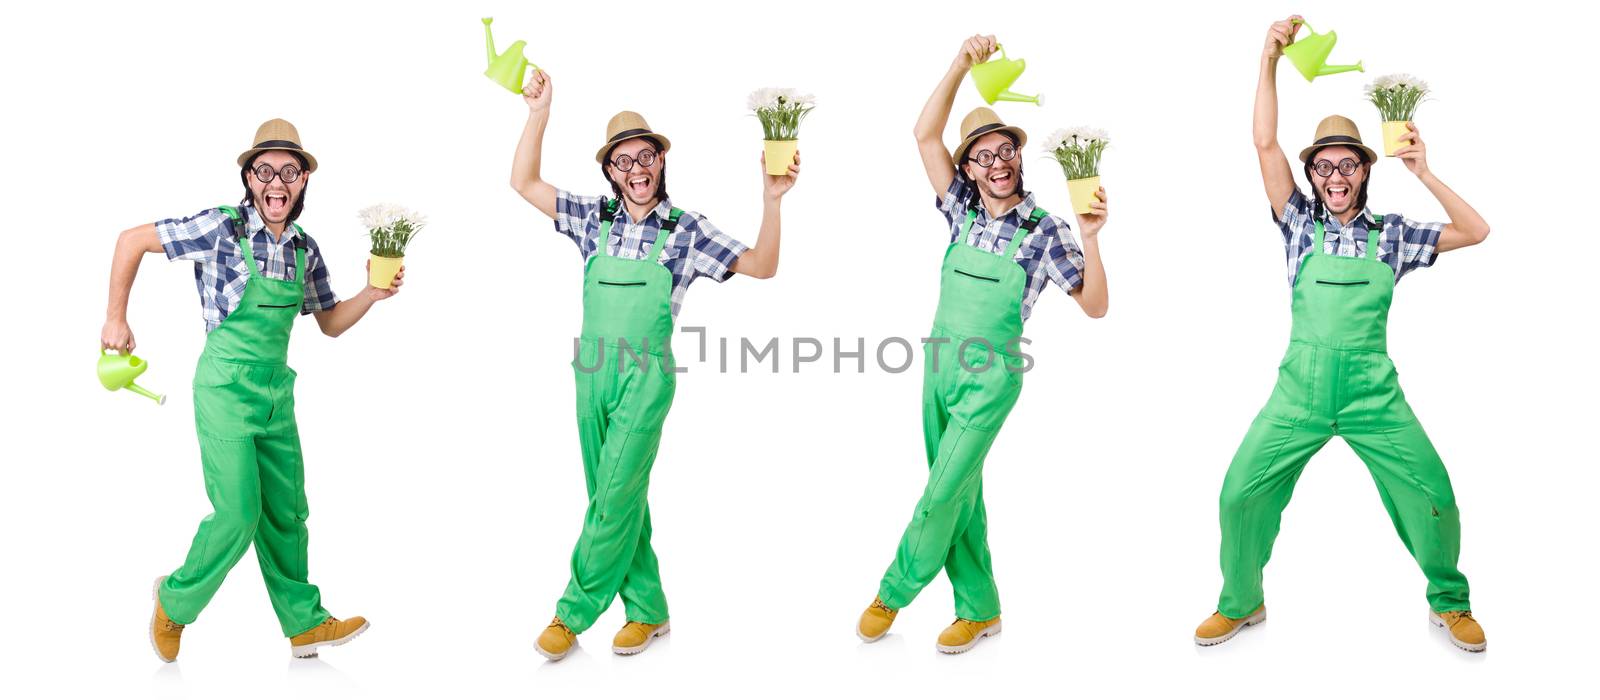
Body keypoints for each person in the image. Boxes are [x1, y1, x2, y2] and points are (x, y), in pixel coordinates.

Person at [1194, 16, 1492, 653]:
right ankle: (1241, 602)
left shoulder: (1393, 233)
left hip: (1371, 397)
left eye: (1347, 166)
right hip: (1297, 395)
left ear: (1363, 169)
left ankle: (1450, 601)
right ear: (1313, 174)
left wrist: (1424, 172)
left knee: (1434, 494)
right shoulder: (1298, 224)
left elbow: (1476, 231)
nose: (1334, 176)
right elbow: (1265, 144)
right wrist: (1268, 57)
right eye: (1323, 166)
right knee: (1238, 495)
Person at [509, 69, 801, 660]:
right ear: (610, 172)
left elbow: (762, 265)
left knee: (614, 494)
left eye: (646, 157)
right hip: (590, 373)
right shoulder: (593, 218)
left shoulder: (685, 230)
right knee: (616, 496)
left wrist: (771, 201)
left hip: (645, 378)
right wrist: (539, 113)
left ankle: (572, 613)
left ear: (661, 161)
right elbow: (523, 182)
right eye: (623, 161)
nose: (637, 169)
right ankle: (648, 610)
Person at [103, 118, 404, 661]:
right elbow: (131, 242)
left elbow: (330, 323)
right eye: (265, 170)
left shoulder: (304, 250)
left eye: (290, 171)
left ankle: (304, 622)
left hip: (275, 395)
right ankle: (174, 600)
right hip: (224, 388)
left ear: (304, 182)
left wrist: (373, 293)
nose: (277, 182)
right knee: (239, 513)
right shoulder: (220, 227)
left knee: (287, 513)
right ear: (249, 178)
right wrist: (115, 319)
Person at [857, 34, 1110, 654]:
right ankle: (980, 609)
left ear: (1019, 158)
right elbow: (923, 134)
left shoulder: (1046, 229)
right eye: (983, 155)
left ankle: (892, 591)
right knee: (960, 489)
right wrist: (959, 65)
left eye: (1006, 151)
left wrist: (1093, 235)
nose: (997, 163)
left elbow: (1096, 306)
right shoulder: (960, 210)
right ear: (967, 167)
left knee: (941, 489)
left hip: (992, 373)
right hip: (937, 363)